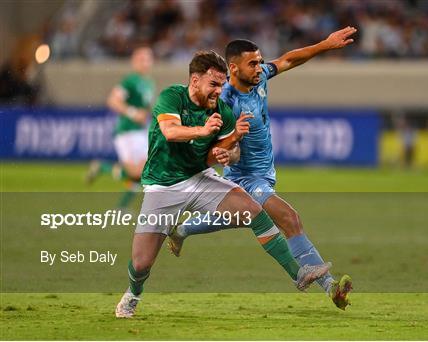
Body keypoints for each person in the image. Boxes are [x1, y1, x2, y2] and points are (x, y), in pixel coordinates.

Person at [115, 50, 330, 318]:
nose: (220, 90)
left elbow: (233, 151)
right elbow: (170, 132)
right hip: (163, 186)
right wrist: (202, 131)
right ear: (195, 81)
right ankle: (133, 293)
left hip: (200, 178)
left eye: (222, 83)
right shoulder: (172, 97)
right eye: (214, 84)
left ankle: (298, 274)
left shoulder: (221, 110)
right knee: (142, 263)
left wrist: (228, 153)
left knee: (254, 211)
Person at [168, 27, 357, 310]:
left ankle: (181, 230)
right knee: (289, 218)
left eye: (260, 61)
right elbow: (222, 151)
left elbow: (290, 59)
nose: (260, 68)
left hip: (264, 174)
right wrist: (231, 149)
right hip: (244, 178)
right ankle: (330, 287)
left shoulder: (261, 78)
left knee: (235, 218)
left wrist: (326, 45)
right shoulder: (224, 103)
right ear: (233, 68)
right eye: (253, 63)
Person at [86, 47, 155, 209]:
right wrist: (132, 113)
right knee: (136, 173)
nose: (146, 62)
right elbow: (112, 100)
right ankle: (103, 168)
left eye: (148, 59)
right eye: (142, 59)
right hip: (127, 131)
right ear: (134, 61)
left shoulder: (149, 82)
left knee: (146, 171)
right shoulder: (130, 81)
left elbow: (145, 108)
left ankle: (122, 208)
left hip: (141, 131)